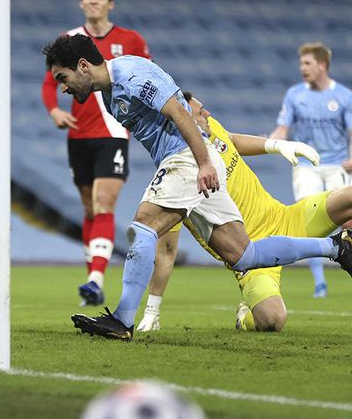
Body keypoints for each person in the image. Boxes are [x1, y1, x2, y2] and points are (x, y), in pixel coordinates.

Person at [41, 33, 352, 341]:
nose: (63, 87)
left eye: (62, 77)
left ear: (82, 65)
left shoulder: (132, 75)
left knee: (144, 227)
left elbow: (179, 111)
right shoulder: (109, 95)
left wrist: (203, 162)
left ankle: (122, 320)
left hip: (187, 159)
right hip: (186, 161)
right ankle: (337, 248)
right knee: (244, 255)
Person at [135, 93, 352, 333]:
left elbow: (232, 140)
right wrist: (152, 310)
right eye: (201, 112)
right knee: (272, 320)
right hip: (252, 257)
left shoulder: (212, 130)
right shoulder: (178, 178)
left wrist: (277, 145)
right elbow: (166, 251)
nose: (208, 114)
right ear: (185, 123)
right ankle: (244, 317)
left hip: (286, 218)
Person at [41, 0, 150, 306]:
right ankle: (93, 287)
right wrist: (55, 112)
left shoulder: (130, 40)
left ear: (110, 3)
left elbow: (148, 76)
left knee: (104, 204)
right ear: (81, 2)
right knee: (89, 209)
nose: (93, 1)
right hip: (79, 135)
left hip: (113, 133)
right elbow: (50, 83)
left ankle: (94, 278)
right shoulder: (69, 39)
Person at [269, 42, 352, 299]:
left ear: (322, 65)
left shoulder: (344, 96)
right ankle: (319, 282)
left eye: (307, 63)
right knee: (308, 220)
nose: (302, 68)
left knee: (348, 220)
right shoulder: (295, 95)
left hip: (337, 164)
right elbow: (282, 130)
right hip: (307, 166)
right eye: (301, 63)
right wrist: (269, 143)